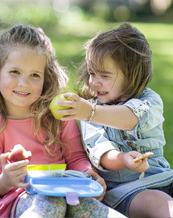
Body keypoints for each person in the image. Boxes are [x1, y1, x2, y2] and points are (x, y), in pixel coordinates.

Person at [0, 24, 125, 218]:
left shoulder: (58, 117)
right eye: (15, 72)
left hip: (66, 192)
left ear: (45, 78)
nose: (23, 83)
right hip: (17, 199)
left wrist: (89, 174)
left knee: (88, 208)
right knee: (51, 205)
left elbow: (76, 158)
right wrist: (5, 180)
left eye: (34, 75)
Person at [55, 23, 173, 217]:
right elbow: (103, 155)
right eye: (92, 73)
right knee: (159, 203)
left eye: (104, 75)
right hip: (126, 191)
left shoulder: (149, 101)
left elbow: (131, 117)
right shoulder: (90, 112)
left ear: (132, 77)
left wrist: (90, 112)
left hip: (163, 178)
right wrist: (124, 159)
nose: (94, 81)